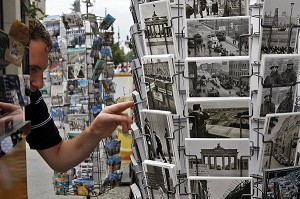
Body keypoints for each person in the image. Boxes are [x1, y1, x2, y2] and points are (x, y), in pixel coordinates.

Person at [0, 18, 133, 172]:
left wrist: (95, 131)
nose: (39, 83)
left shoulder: (31, 98)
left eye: (42, 70)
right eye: (32, 70)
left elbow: (58, 156)